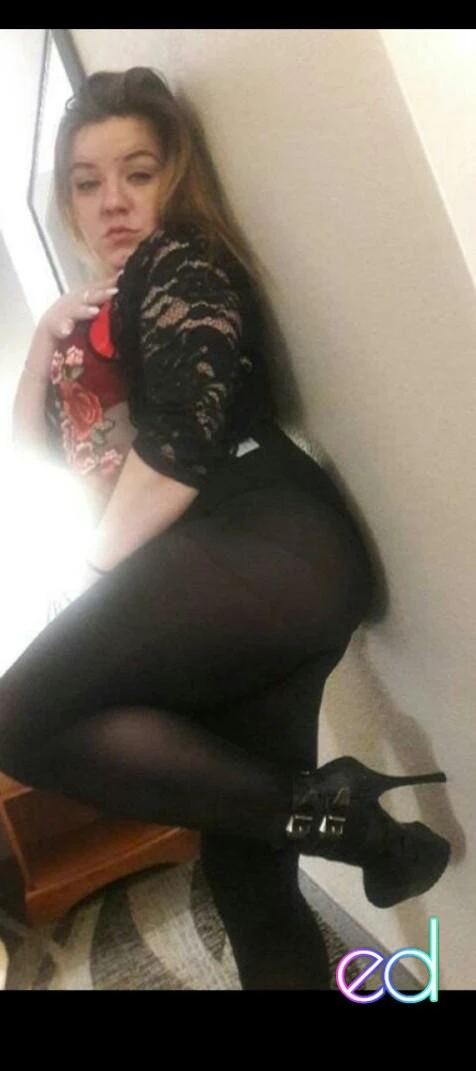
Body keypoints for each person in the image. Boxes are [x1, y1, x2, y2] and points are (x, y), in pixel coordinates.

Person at [0, 67, 450, 990]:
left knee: (16, 720)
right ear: (66, 201)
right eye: (86, 182)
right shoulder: (98, 316)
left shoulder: (180, 261)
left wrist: (96, 574)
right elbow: (37, 454)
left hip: (265, 543)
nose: (112, 200)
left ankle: (346, 819)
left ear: (176, 177)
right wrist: (44, 338)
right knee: (249, 872)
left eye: (137, 172)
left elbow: (181, 445)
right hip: (247, 581)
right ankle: (344, 821)